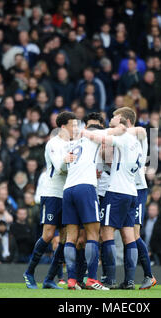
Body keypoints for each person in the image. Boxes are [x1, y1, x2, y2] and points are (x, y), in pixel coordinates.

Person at [82, 111, 144, 290]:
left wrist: (84, 133)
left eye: (113, 124)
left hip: (116, 192)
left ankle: (109, 279)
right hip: (132, 193)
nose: (110, 127)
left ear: (123, 126)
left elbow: (99, 138)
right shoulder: (136, 143)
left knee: (106, 233)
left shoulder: (123, 138)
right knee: (128, 236)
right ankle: (130, 281)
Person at [23, 111, 75, 290]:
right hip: (52, 193)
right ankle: (29, 273)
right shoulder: (53, 143)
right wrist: (67, 161)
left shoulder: (74, 144)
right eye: (73, 125)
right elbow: (59, 167)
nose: (75, 128)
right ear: (63, 126)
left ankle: (49, 279)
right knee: (48, 234)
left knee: (65, 237)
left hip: (67, 194)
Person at [61, 117, 109, 290]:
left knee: (71, 237)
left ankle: (72, 280)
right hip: (85, 188)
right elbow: (112, 135)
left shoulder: (71, 145)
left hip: (68, 189)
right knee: (93, 235)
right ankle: (91, 279)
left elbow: (63, 167)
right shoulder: (93, 137)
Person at [112, 107, 157, 289]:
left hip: (137, 189)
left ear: (126, 121)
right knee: (125, 235)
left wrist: (111, 131)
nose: (114, 123)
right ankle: (127, 280)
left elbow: (140, 130)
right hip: (124, 188)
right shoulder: (124, 138)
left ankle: (148, 275)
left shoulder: (138, 133)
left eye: (117, 120)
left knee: (134, 235)